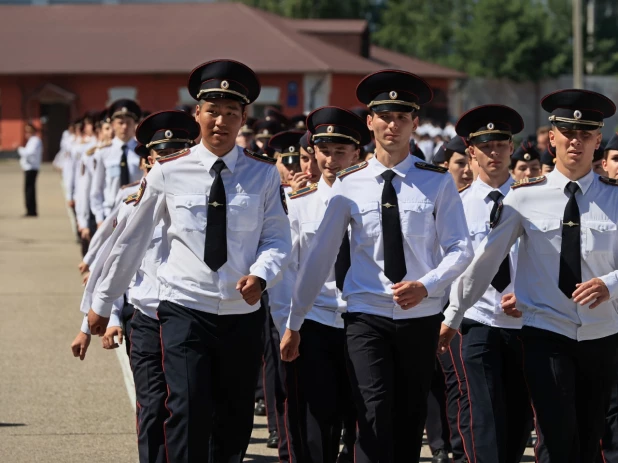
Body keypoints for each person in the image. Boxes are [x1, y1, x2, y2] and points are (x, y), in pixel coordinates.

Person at [86, 59, 292, 463]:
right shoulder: (167, 172)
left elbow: (277, 239)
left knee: (233, 419)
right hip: (184, 310)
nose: (220, 121)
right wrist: (102, 302)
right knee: (187, 409)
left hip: (241, 313)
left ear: (243, 117)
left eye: (231, 113)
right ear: (197, 113)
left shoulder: (263, 175)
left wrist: (261, 274)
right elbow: (131, 242)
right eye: (212, 111)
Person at [281, 69, 473, 463]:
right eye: (385, 116)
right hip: (365, 314)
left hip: (419, 315)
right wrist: (294, 322)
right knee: (372, 410)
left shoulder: (437, 183)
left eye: (402, 117)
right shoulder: (350, 183)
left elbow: (461, 249)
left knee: (409, 416)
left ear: (415, 123)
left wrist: (428, 284)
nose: (393, 124)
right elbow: (320, 257)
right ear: (370, 122)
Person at [439, 89, 618, 463]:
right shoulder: (523, 198)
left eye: (585, 134)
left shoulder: (614, 197)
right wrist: (453, 316)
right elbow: (486, 262)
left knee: (589, 438)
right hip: (545, 333)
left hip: (601, 335)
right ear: (552, 138)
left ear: (597, 140)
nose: (576, 141)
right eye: (568, 132)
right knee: (556, 435)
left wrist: (609, 283)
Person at [277, 106, 370, 463]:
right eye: (325, 150)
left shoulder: (371, 201)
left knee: (365, 418)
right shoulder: (299, 204)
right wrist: (289, 323)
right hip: (315, 320)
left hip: (362, 317)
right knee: (317, 420)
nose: (331, 160)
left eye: (341, 151)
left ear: (357, 153)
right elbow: (289, 270)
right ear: (314, 152)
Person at [449, 104, 534, 463]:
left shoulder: (533, 200)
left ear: (511, 148)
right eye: (486, 146)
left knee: (518, 416)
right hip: (477, 320)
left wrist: (527, 293)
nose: (494, 153)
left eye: (501, 144)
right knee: (482, 412)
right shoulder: (456, 205)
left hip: (525, 321)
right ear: (471, 153)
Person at [90, 99, 142, 226]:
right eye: (120, 123)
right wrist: (99, 218)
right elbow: (97, 188)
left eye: (129, 123)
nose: (124, 127)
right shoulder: (103, 153)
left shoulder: (142, 152)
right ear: (113, 124)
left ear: (135, 124)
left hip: (136, 213)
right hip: (110, 213)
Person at [17, 123, 43, 217]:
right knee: (29, 189)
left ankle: (31, 210)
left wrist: (20, 150)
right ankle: (30, 209)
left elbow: (29, 153)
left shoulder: (35, 140)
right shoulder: (32, 140)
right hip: (29, 167)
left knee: (29, 190)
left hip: (31, 167)